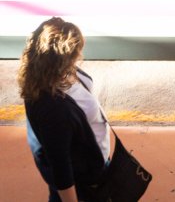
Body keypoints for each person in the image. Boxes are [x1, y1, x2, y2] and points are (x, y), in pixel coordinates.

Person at [21, 17, 112, 202]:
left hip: (94, 166)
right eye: (75, 52)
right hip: (83, 185)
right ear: (60, 59)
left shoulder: (64, 72)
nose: (79, 55)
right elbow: (61, 167)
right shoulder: (51, 108)